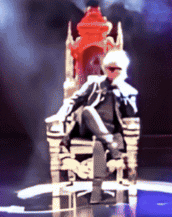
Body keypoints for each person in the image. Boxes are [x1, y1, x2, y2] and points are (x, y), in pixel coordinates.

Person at [49, 48, 138, 203]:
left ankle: (97, 190)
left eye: (118, 69)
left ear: (123, 71)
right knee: (88, 110)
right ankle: (110, 143)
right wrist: (61, 115)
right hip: (87, 129)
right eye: (111, 69)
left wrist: (121, 93)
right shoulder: (93, 84)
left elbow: (131, 114)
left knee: (99, 143)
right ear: (105, 69)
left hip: (110, 132)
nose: (114, 72)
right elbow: (73, 100)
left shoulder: (128, 91)